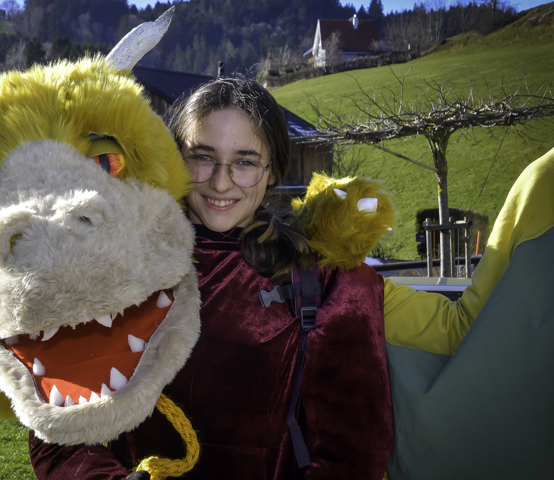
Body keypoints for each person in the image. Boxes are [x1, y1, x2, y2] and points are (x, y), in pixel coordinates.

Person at [28, 77, 394, 479]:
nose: (221, 183)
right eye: (202, 156)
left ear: (272, 171)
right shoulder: (115, 262)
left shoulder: (323, 278)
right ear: (175, 159)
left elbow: (353, 454)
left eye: (245, 162)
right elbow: (57, 430)